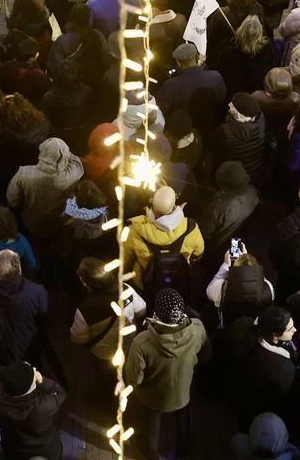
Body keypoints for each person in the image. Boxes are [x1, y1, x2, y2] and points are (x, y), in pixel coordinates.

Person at [125, 287, 211, 460]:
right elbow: (206, 356)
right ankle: (185, 449)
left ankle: (150, 451)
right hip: (183, 391)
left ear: (157, 312)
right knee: (184, 418)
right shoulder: (198, 328)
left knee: (151, 421)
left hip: (152, 397)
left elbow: (134, 379)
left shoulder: (142, 342)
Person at [125, 186, 205, 294]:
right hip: (179, 281)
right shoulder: (191, 227)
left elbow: (126, 260)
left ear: (152, 203)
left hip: (146, 284)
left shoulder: (134, 229)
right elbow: (198, 254)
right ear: (174, 206)